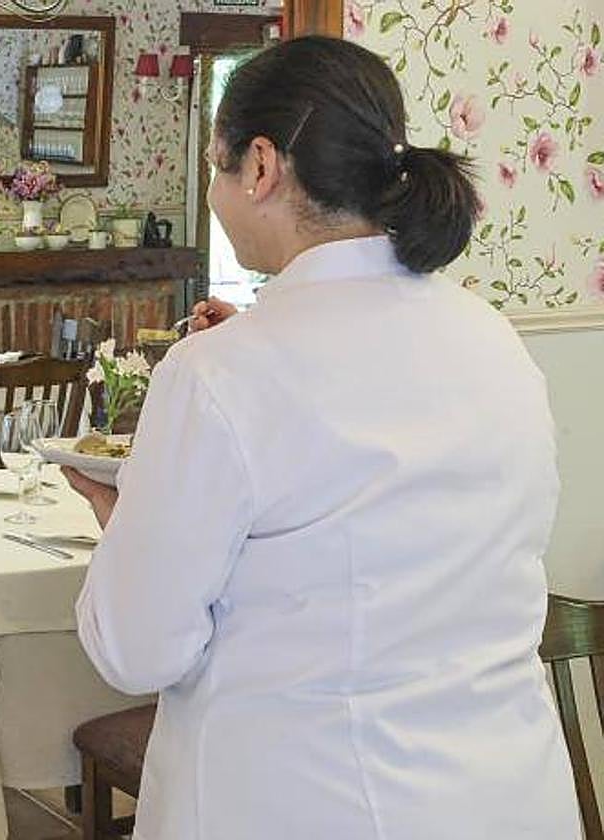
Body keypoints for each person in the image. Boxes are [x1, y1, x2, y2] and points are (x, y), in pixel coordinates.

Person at [65, 36, 579, 839]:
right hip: (503, 793)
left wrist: (121, 521)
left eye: (215, 164)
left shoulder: (220, 375)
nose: (213, 188)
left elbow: (138, 649)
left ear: (261, 166)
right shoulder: (489, 338)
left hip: (303, 797)